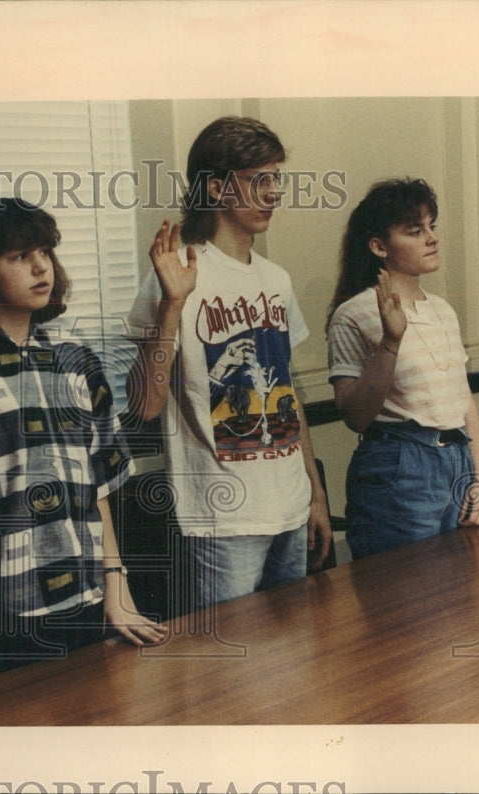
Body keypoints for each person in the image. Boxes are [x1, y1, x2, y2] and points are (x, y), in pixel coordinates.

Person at [0, 197, 167, 680]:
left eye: (44, 251)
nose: (41, 266)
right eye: (19, 256)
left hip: (84, 602)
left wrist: (116, 587)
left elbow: (97, 487)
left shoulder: (73, 357)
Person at [126, 116, 332, 612]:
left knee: (295, 662)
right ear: (216, 187)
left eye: (276, 179)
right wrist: (172, 306)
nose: (273, 193)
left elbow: (288, 392)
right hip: (225, 517)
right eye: (258, 180)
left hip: (289, 503)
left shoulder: (276, 279)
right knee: (234, 677)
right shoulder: (176, 273)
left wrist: (315, 492)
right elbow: (143, 405)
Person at [325, 177, 479, 559]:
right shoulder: (354, 314)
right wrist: (391, 341)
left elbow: (461, 394)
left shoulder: (442, 310)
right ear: (379, 246)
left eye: (432, 226)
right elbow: (354, 415)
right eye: (415, 231)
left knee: (460, 595)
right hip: (400, 463)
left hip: (457, 458)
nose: (431, 238)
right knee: (405, 599)